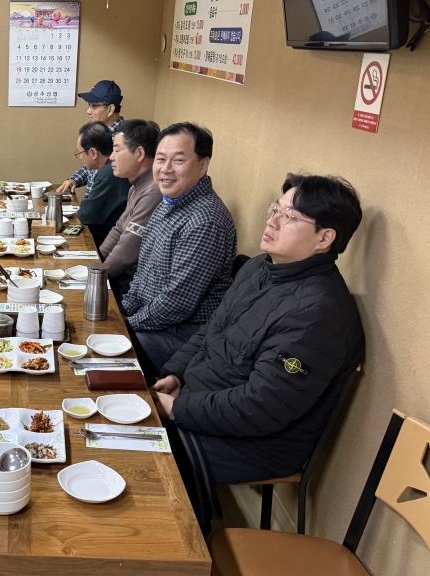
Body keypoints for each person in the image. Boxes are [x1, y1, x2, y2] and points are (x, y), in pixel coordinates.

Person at [151, 174, 365, 533]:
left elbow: (260, 407)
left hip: (256, 442)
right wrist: (175, 374)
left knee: (142, 459)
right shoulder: (259, 267)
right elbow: (212, 329)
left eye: (290, 217)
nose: (272, 222)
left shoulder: (318, 312)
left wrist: (179, 409)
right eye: (275, 210)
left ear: (324, 238)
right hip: (205, 400)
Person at [122, 123, 236, 371]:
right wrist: (123, 311)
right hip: (153, 320)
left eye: (179, 160)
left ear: (203, 166)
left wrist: (126, 325)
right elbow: (142, 272)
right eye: (161, 159)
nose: (166, 169)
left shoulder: (205, 222)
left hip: (182, 337)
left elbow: (177, 303)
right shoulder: (169, 202)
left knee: (103, 353)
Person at [98, 119, 162, 295]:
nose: (111, 157)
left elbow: (126, 253)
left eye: (117, 150)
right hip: (122, 274)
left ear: (139, 153)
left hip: (133, 281)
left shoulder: (153, 191)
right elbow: (119, 229)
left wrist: (96, 278)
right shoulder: (136, 184)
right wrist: (95, 262)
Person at [56, 80, 125, 194]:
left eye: (94, 106)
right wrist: (73, 180)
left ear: (110, 109)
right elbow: (92, 167)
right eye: (89, 105)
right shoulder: (99, 131)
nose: (88, 111)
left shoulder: (122, 139)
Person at [74, 122, 131, 247]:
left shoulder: (108, 173)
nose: (80, 157)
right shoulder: (109, 169)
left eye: (80, 153)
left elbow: (85, 215)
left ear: (93, 153)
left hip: (107, 242)